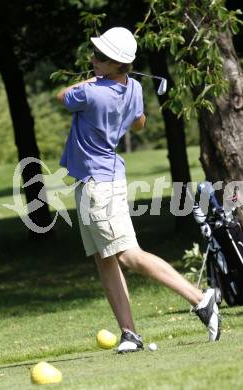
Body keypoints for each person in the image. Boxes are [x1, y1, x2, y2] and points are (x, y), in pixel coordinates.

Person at [57, 27, 221, 353]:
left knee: (128, 255)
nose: (92, 59)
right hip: (104, 179)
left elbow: (62, 95)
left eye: (99, 57)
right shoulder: (132, 87)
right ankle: (129, 333)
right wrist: (114, 85)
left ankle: (200, 298)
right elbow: (139, 122)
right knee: (105, 259)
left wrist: (93, 81)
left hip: (97, 185)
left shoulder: (91, 93)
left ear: (115, 62)